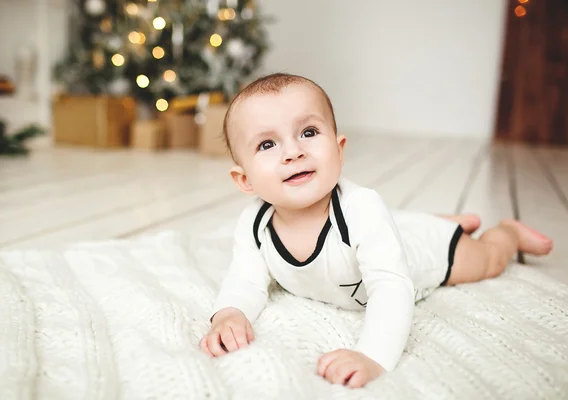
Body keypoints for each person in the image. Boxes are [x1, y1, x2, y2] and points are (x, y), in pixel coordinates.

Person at [199, 73, 553, 388]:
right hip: (390, 231)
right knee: (395, 226)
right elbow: (245, 280)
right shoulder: (255, 224)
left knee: (485, 261)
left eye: (308, 132)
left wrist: (373, 355)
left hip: (421, 255)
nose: (293, 152)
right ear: (244, 180)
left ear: (338, 150)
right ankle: (441, 220)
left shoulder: (362, 207)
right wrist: (231, 311)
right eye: (267, 144)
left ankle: (506, 233)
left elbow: (391, 286)